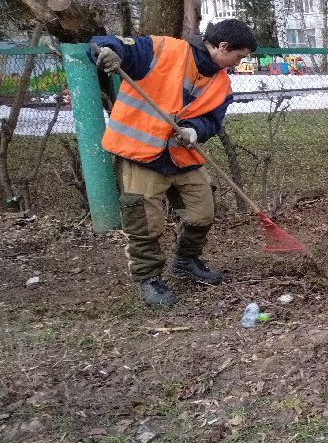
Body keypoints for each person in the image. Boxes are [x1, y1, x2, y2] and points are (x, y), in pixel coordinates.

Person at [88, 19, 256, 306]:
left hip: (183, 157)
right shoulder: (163, 50)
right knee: (144, 223)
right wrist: (105, 51)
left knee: (202, 212)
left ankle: (186, 261)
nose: (238, 63)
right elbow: (111, 45)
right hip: (142, 153)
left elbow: (212, 121)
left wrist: (195, 130)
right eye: (238, 56)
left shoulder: (222, 85)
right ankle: (148, 278)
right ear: (223, 46)